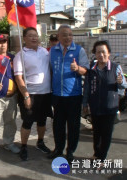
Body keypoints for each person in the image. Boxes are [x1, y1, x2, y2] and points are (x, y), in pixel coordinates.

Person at [48, 24, 89, 163]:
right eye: (65, 35)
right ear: (58, 36)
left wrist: (77, 68)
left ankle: (70, 151)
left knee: (73, 126)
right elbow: (51, 70)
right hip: (57, 95)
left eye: (70, 34)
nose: (68, 37)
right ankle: (58, 149)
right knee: (58, 125)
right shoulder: (52, 51)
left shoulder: (79, 50)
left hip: (74, 95)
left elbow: (86, 70)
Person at [83, 40, 127, 166]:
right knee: (96, 133)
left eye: (103, 52)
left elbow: (124, 85)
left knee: (106, 134)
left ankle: (101, 158)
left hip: (110, 107)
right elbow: (87, 87)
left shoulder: (115, 67)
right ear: (95, 54)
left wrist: (121, 82)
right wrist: (85, 103)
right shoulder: (92, 69)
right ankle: (96, 154)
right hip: (95, 106)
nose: (101, 55)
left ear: (108, 53)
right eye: (98, 52)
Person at [14, 27, 52, 161]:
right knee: (28, 122)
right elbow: (18, 78)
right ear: (24, 38)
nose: (34, 38)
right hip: (31, 94)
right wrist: (26, 95)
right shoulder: (21, 55)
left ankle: (40, 142)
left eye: (36, 35)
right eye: (30, 36)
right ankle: (24, 146)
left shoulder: (45, 52)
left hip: (46, 93)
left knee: (42, 121)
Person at [0, 34, 20, 160]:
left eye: (4, 42)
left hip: (12, 97)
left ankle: (8, 143)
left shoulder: (13, 58)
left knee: (10, 122)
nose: (2, 45)